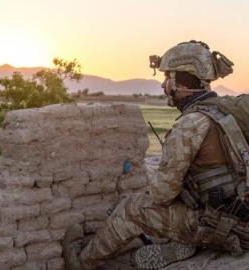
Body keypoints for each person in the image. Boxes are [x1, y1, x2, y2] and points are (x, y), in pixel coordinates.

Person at [63, 40, 249, 270]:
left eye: (167, 78)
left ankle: (82, 262)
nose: (163, 86)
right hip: (239, 215)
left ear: (182, 81)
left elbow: (162, 194)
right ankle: (182, 242)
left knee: (135, 208)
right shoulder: (229, 109)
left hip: (229, 226)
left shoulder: (190, 125)